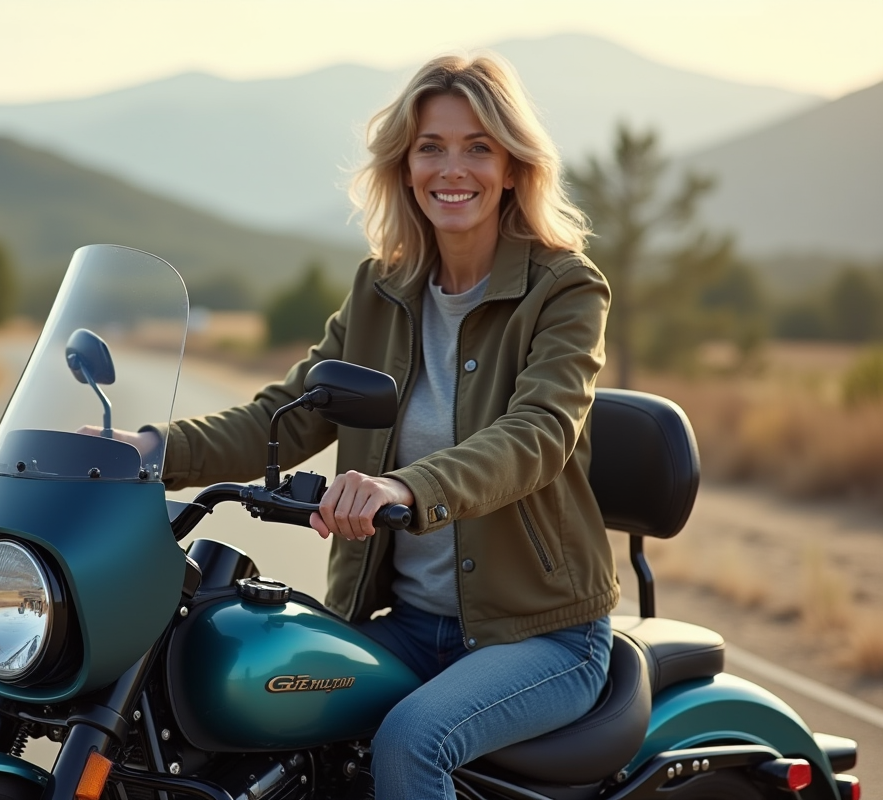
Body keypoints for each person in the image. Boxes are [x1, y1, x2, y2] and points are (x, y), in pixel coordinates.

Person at [113, 54, 617, 800]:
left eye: (478, 146)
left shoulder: (564, 288)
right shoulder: (381, 290)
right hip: (411, 624)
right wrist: (149, 451)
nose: (454, 167)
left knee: (414, 741)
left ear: (513, 166)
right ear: (405, 166)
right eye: (431, 146)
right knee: (249, 702)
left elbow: (537, 433)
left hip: (543, 634)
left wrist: (403, 487)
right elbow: (282, 416)